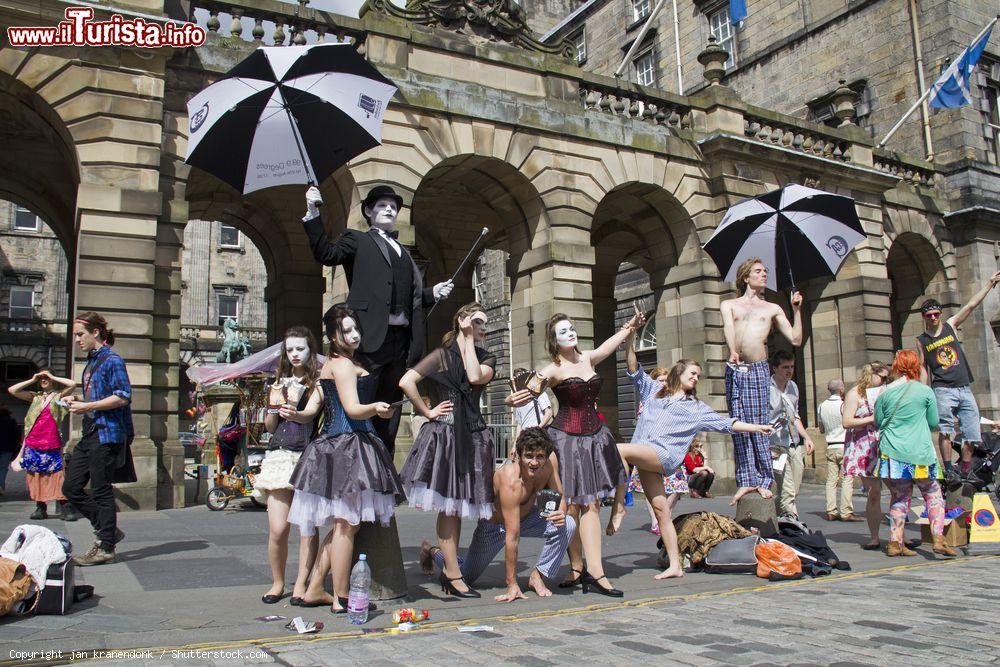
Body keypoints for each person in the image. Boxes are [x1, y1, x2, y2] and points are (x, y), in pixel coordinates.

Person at [606, 324, 773, 580]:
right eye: (693, 373)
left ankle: (619, 506)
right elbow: (633, 370)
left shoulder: (695, 407)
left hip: (663, 455)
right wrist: (630, 339)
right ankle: (675, 565)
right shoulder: (654, 391)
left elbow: (726, 423)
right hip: (645, 455)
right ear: (679, 372)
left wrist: (756, 427)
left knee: (619, 450)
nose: (696, 378)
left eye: (698, 376)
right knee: (662, 511)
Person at [301, 185, 454, 454]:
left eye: (393, 207)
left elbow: (408, 297)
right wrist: (313, 212)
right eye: (382, 206)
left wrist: (433, 292)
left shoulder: (404, 253)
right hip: (369, 340)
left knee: (390, 413)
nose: (389, 210)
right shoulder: (356, 239)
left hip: (401, 344)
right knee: (362, 408)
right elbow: (326, 254)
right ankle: (355, 466)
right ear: (369, 211)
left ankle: (383, 471)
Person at [286, 304, 406, 613]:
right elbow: (352, 409)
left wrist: (294, 414)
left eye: (355, 329)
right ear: (331, 335)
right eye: (346, 331)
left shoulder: (328, 366)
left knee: (343, 524)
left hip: (333, 446)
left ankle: (314, 589)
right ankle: (341, 598)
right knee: (346, 525)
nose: (353, 335)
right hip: (350, 447)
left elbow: (312, 410)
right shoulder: (342, 366)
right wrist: (378, 408)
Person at [518, 311, 640, 597]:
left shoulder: (588, 358)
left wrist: (628, 328)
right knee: (571, 505)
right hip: (566, 441)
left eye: (572, 328)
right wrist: (517, 396)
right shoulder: (553, 369)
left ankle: (595, 572)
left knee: (592, 504)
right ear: (554, 341)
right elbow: (530, 389)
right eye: (563, 332)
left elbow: (609, 346)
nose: (571, 333)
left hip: (594, 437)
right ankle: (576, 567)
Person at [399, 302, 497, 598]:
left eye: (485, 324)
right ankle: (453, 575)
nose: (483, 328)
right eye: (478, 322)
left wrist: (467, 338)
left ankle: (442, 561)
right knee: (450, 506)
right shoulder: (441, 355)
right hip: (445, 436)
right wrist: (427, 411)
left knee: (462, 505)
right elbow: (406, 381)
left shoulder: (487, 356)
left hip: (473, 436)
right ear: (463, 319)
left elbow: (473, 377)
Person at [419, 427, 575, 603]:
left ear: (547, 455)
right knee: (465, 575)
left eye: (539, 457)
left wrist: (560, 513)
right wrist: (512, 584)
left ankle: (538, 575)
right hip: (495, 527)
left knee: (568, 524)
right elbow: (512, 536)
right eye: (529, 456)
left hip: (528, 518)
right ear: (518, 454)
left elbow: (559, 494)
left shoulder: (549, 462)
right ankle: (431, 551)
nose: (534, 462)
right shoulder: (510, 480)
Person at [721, 258, 803, 505]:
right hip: (736, 367)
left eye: (765, 271)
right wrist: (732, 349)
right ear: (746, 277)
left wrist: (797, 310)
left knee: (759, 424)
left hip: (757, 369)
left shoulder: (772, 308)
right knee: (738, 424)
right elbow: (728, 327)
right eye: (758, 271)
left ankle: (764, 480)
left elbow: (796, 339)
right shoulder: (729, 304)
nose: (764, 274)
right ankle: (746, 480)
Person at [255, 327, 326, 606]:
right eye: (290, 349)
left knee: (307, 526)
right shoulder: (277, 381)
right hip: (278, 456)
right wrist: (272, 408)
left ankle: (300, 584)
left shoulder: (317, 381)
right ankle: (277, 582)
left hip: (306, 454)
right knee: (277, 529)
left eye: (300, 349)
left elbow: (309, 417)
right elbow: (271, 428)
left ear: (310, 350)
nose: (295, 354)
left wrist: (296, 410)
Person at [63, 312, 135, 566]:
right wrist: (80, 400)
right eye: (75, 336)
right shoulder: (93, 362)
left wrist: (89, 404)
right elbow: (100, 396)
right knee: (70, 487)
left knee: (101, 489)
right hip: (91, 431)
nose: (77, 340)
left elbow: (122, 396)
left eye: (80, 335)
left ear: (96, 333)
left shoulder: (112, 360)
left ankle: (106, 546)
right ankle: (108, 531)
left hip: (107, 434)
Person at [872, 350, 956, 558]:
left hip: (894, 452)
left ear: (897, 368)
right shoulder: (925, 391)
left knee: (900, 497)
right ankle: (938, 539)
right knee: (933, 494)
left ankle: (894, 543)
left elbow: (878, 421)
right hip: (920, 452)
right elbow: (934, 423)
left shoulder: (885, 393)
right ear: (915, 367)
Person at [916, 272, 1000, 472]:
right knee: (945, 430)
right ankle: (948, 468)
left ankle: (965, 469)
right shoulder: (922, 340)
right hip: (942, 389)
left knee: (972, 433)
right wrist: (922, 391)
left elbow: (970, 305)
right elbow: (922, 367)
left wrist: (989, 283)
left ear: (940, 314)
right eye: (929, 315)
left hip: (964, 387)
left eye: (936, 314)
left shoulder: (950, 326)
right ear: (924, 317)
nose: (934, 317)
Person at [7, 371, 79, 520]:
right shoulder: (35, 397)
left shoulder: (59, 395)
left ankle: (65, 506)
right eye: (42, 378)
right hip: (33, 443)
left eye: (47, 378)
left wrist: (51, 376)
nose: (44, 380)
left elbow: (72, 384)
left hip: (51, 443)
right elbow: (12, 390)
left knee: (56, 476)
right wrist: (33, 379)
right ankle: (40, 507)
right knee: (35, 476)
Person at [842, 362, 890, 550]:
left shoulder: (885, 391)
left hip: (885, 443)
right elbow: (846, 421)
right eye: (883, 377)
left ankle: (898, 534)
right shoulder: (855, 393)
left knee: (897, 489)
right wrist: (872, 418)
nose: (886, 381)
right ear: (871, 374)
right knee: (874, 493)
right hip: (864, 447)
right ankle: (874, 536)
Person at [769, 350, 814, 520]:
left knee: (794, 486)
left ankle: (777, 516)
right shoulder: (766, 388)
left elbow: (795, 416)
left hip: (793, 442)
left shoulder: (793, 387)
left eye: (792, 367)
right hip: (775, 444)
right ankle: (792, 521)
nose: (789, 370)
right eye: (785, 367)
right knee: (786, 487)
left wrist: (807, 437)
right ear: (775, 368)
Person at [817, 379, 858, 522]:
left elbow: (821, 429)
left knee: (831, 480)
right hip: (844, 444)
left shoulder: (821, 406)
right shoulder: (843, 405)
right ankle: (846, 511)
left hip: (830, 445)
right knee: (847, 478)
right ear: (841, 389)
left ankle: (831, 510)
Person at [506, 367, 553, 439]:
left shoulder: (539, 392)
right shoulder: (518, 399)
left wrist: (538, 429)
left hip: (538, 435)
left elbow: (549, 413)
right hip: (525, 437)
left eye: (521, 378)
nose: (519, 381)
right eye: (517, 378)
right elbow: (519, 424)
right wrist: (516, 443)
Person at [0, 404, 20, 497]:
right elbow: (16, 436)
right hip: (7, 447)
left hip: (5, 446)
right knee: (3, 468)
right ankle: (1, 487)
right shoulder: (11, 421)